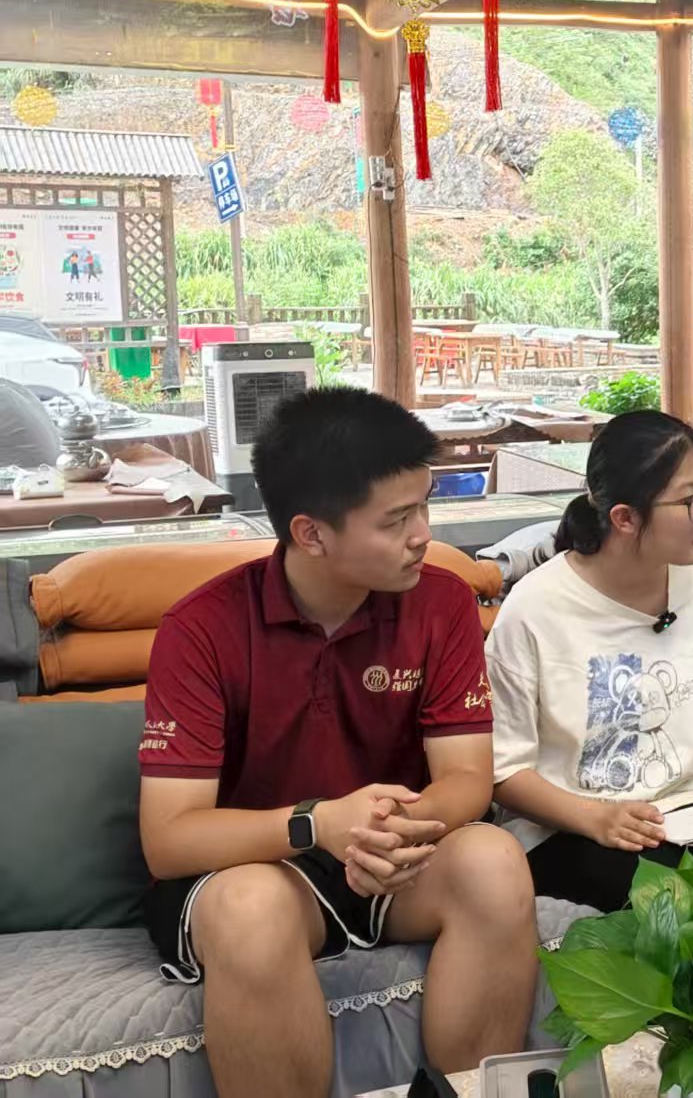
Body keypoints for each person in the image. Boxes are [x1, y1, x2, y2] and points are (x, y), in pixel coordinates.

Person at [137, 387, 537, 1098]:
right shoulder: (201, 629)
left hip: (390, 860)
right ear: (311, 533)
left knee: (494, 860)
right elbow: (169, 838)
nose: (423, 534)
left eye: (424, 506)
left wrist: (386, 832)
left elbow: (467, 779)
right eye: (396, 520)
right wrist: (318, 824)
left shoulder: (441, 602)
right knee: (253, 910)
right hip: (256, 869)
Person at [487, 410, 693, 913]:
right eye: (691, 500)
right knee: (672, 905)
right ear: (625, 518)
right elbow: (504, 772)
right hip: (566, 827)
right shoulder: (534, 609)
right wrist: (595, 818)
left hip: (685, 808)